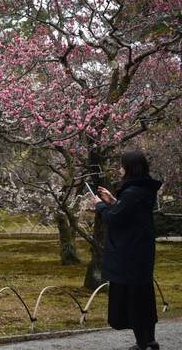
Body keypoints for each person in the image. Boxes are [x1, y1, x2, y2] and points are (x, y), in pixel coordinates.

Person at [93, 150, 162, 350]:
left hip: (129, 256)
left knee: (135, 302)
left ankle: (143, 345)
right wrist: (114, 202)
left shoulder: (133, 192)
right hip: (140, 254)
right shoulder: (142, 189)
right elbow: (129, 214)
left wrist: (100, 206)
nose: (119, 169)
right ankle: (149, 340)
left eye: (122, 165)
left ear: (130, 168)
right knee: (144, 297)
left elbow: (115, 219)